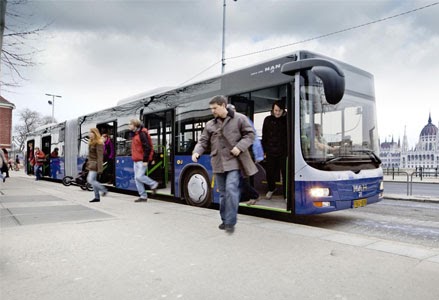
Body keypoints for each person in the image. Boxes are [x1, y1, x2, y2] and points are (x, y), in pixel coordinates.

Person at [192, 95, 257, 233]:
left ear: (223, 105)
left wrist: (239, 147)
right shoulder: (210, 124)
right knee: (222, 194)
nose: (213, 111)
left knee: (231, 189)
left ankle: (231, 222)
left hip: (234, 161)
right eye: (211, 109)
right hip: (217, 162)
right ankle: (224, 220)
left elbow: (250, 135)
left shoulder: (240, 118)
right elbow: (203, 141)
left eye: (215, 108)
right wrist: (197, 152)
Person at [226, 104, 263, 206]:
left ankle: (254, 195)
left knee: (240, 177)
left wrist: (258, 154)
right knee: (240, 177)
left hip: (243, 153)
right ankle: (246, 196)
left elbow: (253, 137)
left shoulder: (242, 119)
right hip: (234, 156)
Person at [128, 118, 158, 203]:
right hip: (136, 160)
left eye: (130, 124)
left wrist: (146, 160)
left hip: (142, 160)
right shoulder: (134, 134)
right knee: (137, 179)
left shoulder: (142, 134)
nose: (128, 126)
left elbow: (147, 148)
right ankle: (143, 196)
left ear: (135, 125)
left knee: (139, 176)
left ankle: (153, 184)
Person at [262, 100, 287, 200]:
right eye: (275, 110)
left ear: (283, 110)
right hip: (270, 150)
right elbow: (265, 136)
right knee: (270, 172)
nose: (277, 112)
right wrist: (264, 151)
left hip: (283, 151)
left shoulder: (286, 119)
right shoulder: (267, 119)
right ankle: (271, 189)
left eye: (279, 110)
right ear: (272, 110)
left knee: (285, 172)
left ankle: (286, 194)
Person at [86, 128, 108, 202]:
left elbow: (100, 156)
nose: (89, 134)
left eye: (90, 132)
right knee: (93, 181)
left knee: (90, 179)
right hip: (91, 164)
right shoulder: (91, 142)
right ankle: (97, 197)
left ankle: (104, 190)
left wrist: (100, 168)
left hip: (95, 165)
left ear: (94, 133)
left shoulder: (99, 143)